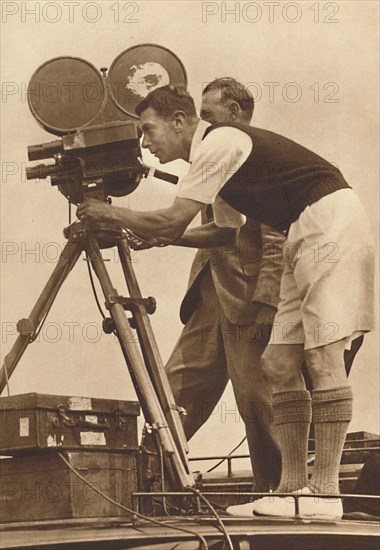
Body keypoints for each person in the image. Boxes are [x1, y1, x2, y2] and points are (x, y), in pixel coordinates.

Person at [77, 84, 375, 519]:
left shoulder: (219, 143)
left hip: (330, 224)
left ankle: (325, 494)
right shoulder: (211, 156)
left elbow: (174, 218)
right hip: (301, 230)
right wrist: (140, 233)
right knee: (276, 364)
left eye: (148, 129)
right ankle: (291, 488)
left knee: (324, 357)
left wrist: (112, 213)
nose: (144, 142)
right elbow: (224, 232)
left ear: (179, 122)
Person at [132, 78, 285, 491]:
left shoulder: (254, 157)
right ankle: (148, 484)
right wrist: (155, 233)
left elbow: (275, 237)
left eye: (212, 113)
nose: (206, 122)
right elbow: (213, 229)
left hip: (249, 301)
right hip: (210, 294)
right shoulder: (212, 156)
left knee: (257, 402)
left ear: (235, 113)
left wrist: (268, 304)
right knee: (177, 389)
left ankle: (275, 491)